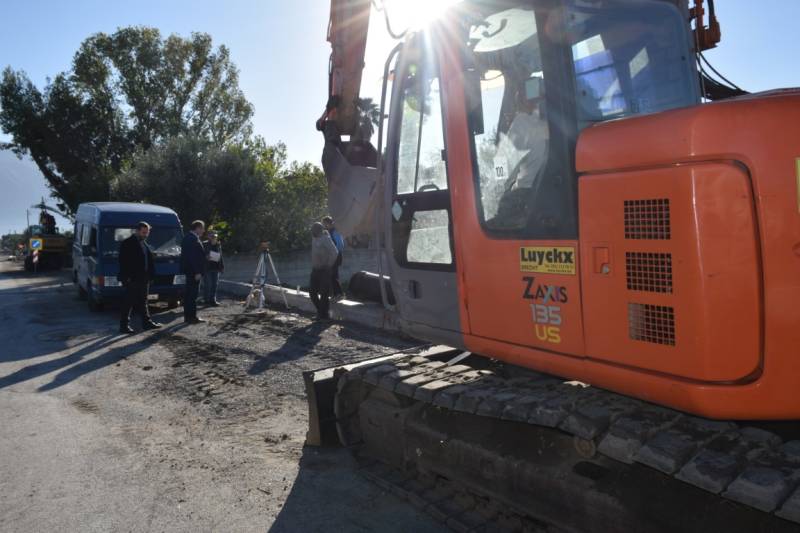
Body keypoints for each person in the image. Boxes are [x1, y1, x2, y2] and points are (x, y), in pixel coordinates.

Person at [118, 221, 162, 334]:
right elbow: (123, 262)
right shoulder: (127, 243)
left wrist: (150, 275)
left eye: (147, 233)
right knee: (128, 302)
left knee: (143, 302)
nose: (145, 234)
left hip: (144, 278)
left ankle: (146, 323)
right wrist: (126, 278)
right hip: (133, 279)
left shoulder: (144, 243)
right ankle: (124, 326)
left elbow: (147, 261)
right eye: (143, 232)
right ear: (137, 231)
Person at [309, 222, 339, 320]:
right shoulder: (314, 238)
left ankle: (323, 315)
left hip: (324, 270)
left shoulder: (326, 239)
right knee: (312, 292)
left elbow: (335, 252)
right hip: (315, 269)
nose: (312, 232)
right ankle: (322, 313)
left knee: (324, 293)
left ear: (318, 231)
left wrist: (329, 265)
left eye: (313, 230)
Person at [180, 220, 207, 324]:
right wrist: (197, 272)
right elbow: (192, 258)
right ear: (197, 228)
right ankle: (192, 317)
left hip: (190, 271)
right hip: (193, 272)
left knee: (189, 295)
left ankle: (189, 317)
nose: (203, 231)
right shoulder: (191, 239)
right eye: (202, 228)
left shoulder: (189, 237)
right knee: (192, 295)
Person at [322, 216, 345, 299]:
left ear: (328, 223)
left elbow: (340, 245)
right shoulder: (328, 231)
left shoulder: (335, 231)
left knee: (333, 275)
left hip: (336, 256)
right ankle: (336, 294)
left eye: (324, 223)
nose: (324, 225)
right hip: (331, 257)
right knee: (332, 275)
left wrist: (334, 252)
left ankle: (340, 294)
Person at [202, 230, 224, 306]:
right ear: (208, 236)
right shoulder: (204, 244)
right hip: (207, 267)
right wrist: (206, 257)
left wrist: (222, 266)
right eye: (212, 236)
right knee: (208, 284)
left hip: (216, 267)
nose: (213, 238)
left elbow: (220, 256)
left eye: (215, 236)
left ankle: (213, 300)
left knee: (215, 284)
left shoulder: (218, 244)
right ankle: (206, 300)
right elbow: (201, 255)